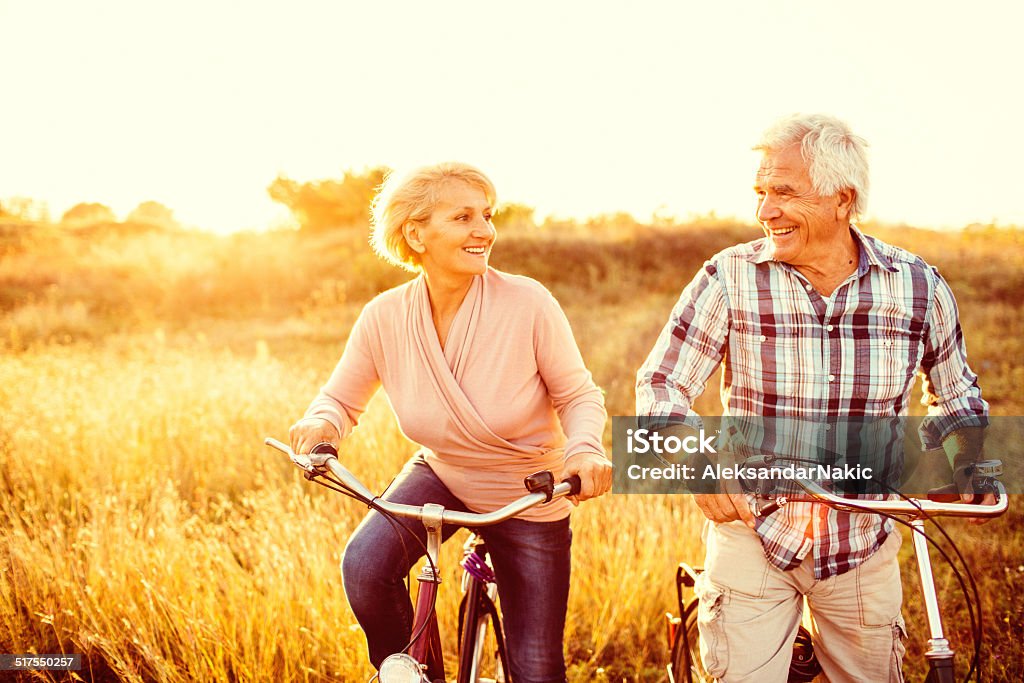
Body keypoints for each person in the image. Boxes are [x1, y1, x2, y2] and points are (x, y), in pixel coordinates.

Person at [636, 114, 991, 682]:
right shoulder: (729, 276)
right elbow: (662, 384)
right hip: (754, 531)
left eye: (784, 193)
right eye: (760, 192)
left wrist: (969, 458)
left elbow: (956, 392)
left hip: (863, 538)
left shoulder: (918, 285)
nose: (764, 211)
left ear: (842, 199)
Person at [289, 161, 612, 682]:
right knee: (366, 569)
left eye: (487, 215)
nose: (485, 230)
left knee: (535, 667)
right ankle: (411, 676)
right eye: (463, 217)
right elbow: (339, 401)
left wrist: (585, 451)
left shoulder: (529, 302)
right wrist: (321, 426)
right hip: (442, 474)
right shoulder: (384, 316)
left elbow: (578, 395)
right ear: (415, 232)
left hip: (530, 490)